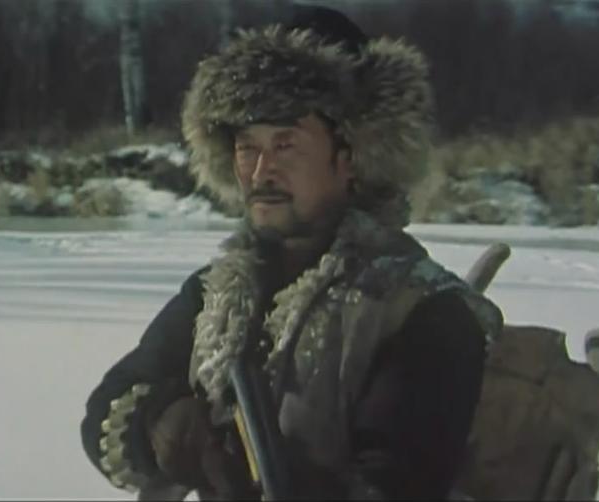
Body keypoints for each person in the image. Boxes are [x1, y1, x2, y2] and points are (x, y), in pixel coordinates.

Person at [80, 5, 503, 500]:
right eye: (247, 147)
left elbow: (394, 484)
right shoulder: (216, 294)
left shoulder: (423, 313)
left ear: (351, 156)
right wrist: (162, 424)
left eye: (286, 145)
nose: (261, 173)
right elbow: (107, 410)